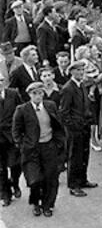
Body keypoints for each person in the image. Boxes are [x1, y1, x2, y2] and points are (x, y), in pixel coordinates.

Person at [12, 82, 65, 217]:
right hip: (32, 149)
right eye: (34, 93)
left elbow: (58, 125)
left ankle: (47, 205)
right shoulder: (22, 110)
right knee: (35, 179)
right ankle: (36, 203)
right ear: (29, 95)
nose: (37, 96)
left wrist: (58, 143)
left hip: (49, 147)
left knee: (50, 177)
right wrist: (22, 145)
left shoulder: (50, 106)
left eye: (40, 93)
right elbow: (16, 131)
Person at [59, 60, 97, 197]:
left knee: (84, 155)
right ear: (72, 72)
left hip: (84, 125)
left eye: (82, 70)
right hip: (75, 129)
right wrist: (72, 126)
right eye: (78, 70)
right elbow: (64, 112)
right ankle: (73, 185)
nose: (81, 73)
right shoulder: (68, 88)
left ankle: (82, 179)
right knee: (74, 156)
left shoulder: (82, 85)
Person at [0, 73, 23, 205]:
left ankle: (14, 183)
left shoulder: (13, 94)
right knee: (1, 168)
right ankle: (5, 194)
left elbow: (21, 113)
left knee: (15, 164)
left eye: (1, 80)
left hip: (12, 136)